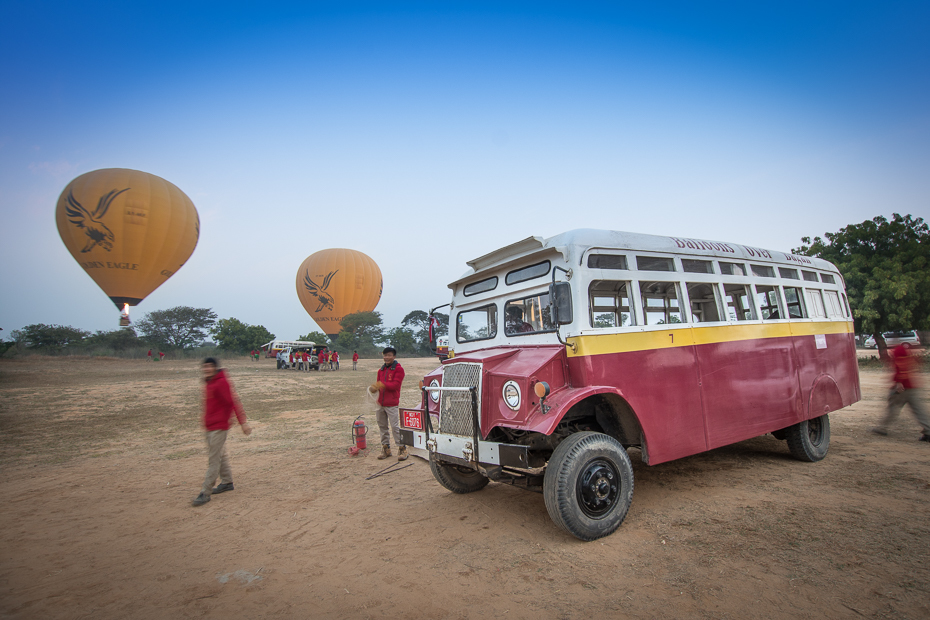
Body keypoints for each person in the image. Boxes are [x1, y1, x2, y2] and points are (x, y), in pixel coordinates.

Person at [193, 358, 252, 506]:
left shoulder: (220, 383)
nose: (206, 369)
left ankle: (205, 492)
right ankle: (226, 482)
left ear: (215, 368)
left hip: (219, 426)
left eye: (209, 366)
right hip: (210, 426)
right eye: (204, 366)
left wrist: (243, 422)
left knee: (214, 460)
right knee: (220, 454)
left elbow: (232, 402)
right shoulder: (209, 382)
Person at [873, 343, 930, 442]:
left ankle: (882, 427)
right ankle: (928, 430)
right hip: (912, 386)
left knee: (893, 407)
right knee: (919, 410)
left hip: (902, 388)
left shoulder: (899, 353)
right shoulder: (910, 355)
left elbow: (901, 369)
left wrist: (899, 382)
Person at [371, 346, 407, 461]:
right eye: (385, 355)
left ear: (394, 356)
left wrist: (382, 384)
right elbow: (378, 384)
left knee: (395, 427)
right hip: (380, 403)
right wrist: (374, 388)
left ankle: (402, 448)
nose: (386, 357)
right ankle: (386, 448)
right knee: (382, 427)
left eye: (389, 355)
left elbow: (396, 385)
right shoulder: (381, 370)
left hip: (391, 403)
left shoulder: (398, 369)